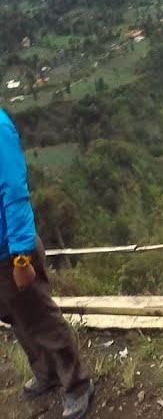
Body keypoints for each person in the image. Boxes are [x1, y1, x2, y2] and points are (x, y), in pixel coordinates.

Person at [1, 110, 95, 419]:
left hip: (10, 253)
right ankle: (46, 373)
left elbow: (14, 192)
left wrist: (21, 257)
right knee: (17, 318)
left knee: (39, 316)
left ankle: (77, 384)